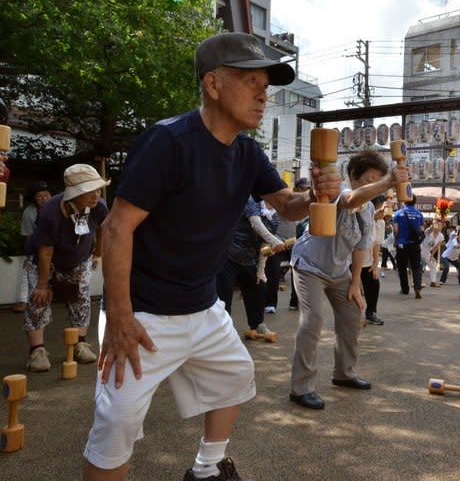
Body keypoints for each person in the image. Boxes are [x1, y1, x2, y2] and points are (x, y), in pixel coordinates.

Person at [82, 32, 341, 481]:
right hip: (143, 312)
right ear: (213, 84)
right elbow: (116, 228)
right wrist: (120, 318)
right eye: (251, 81)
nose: (264, 94)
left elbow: (284, 204)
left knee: (236, 377)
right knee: (117, 423)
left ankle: (206, 469)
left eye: (267, 84)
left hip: (203, 306)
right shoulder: (168, 141)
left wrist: (317, 195)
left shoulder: (246, 151)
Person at [289, 150, 407, 410]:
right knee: (313, 320)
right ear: (353, 177)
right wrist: (389, 181)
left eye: (377, 179)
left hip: (338, 271)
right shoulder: (336, 192)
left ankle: (344, 373)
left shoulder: (368, 212)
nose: (372, 185)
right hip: (309, 265)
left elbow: (359, 249)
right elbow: (351, 199)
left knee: (354, 313)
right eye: (368, 179)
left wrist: (355, 284)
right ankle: (301, 387)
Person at [24, 165, 108, 372]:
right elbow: (45, 250)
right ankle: (37, 350)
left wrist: (98, 253)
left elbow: (102, 228)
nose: (95, 195)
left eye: (97, 190)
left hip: (79, 259)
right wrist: (43, 284)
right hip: (44, 261)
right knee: (39, 301)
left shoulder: (99, 206)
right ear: (74, 194)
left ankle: (79, 343)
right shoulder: (50, 211)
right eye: (89, 191)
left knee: (81, 299)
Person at [215, 197, 283, 340]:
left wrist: (260, 270)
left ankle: (257, 325)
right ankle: (221, 330)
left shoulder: (275, 218)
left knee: (259, 287)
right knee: (224, 295)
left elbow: (264, 246)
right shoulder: (252, 202)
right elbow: (256, 224)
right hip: (228, 255)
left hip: (248, 259)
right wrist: (275, 241)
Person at [13, 181, 52, 312]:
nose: (44, 198)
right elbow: (28, 237)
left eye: (47, 195)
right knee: (28, 268)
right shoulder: (29, 213)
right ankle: (23, 300)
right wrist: (28, 254)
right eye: (40, 196)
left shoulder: (58, 207)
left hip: (58, 248)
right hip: (38, 247)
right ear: (33, 199)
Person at [361, 197, 387, 326]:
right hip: (351, 259)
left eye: (385, 207)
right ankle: (350, 316)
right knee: (349, 287)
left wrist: (375, 265)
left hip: (367, 260)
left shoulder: (381, 223)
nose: (383, 210)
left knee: (374, 283)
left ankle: (371, 313)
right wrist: (371, 219)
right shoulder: (363, 217)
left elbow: (377, 244)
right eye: (381, 206)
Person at [393, 195, 424, 298]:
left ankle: (405, 289)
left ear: (404, 201)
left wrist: (396, 240)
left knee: (402, 267)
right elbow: (421, 230)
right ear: (415, 202)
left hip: (402, 244)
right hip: (414, 244)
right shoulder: (419, 214)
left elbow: (396, 230)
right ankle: (417, 288)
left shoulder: (398, 213)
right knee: (416, 267)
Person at [287, 177, 311, 310]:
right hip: (291, 242)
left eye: (308, 188)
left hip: (307, 241)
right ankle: (294, 301)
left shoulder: (311, 201)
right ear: (296, 188)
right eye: (303, 188)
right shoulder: (290, 200)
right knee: (295, 271)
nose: (306, 191)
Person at [422, 219, 444, 287]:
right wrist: (434, 224)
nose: (440, 227)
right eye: (438, 225)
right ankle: (416, 282)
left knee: (433, 265)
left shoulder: (441, 236)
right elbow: (431, 229)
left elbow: (436, 247)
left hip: (427, 252)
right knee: (418, 267)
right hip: (419, 249)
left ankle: (433, 282)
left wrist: (431, 256)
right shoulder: (428, 231)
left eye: (441, 225)